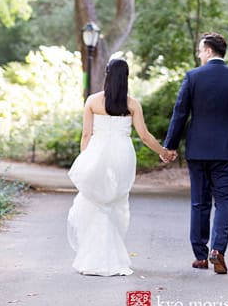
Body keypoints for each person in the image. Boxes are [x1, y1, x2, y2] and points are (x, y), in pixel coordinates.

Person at [67, 58, 175, 276]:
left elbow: (86, 134)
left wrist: (85, 160)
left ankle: (94, 258)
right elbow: (144, 136)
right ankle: (112, 257)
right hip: (122, 157)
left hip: (97, 154)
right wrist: (163, 152)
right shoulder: (132, 104)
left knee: (96, 203)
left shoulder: (92, 101)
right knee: (115, 204)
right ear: (126, 77)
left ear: (107, 75)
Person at [163, 32, 228, 274]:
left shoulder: (193, 77)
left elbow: (180, 113)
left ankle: (201, 256)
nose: (199, 55)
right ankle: (218, 250)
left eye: (201, 50)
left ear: (210, 51)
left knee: (199, 202)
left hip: (198, 149)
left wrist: (170, 145)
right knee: (224, 201)